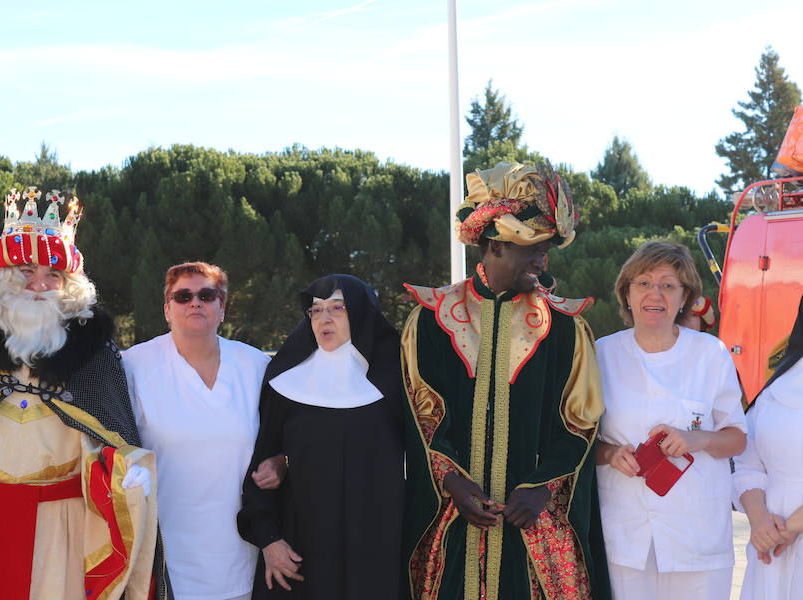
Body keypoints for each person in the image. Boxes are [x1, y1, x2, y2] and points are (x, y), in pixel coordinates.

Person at [0, 187, 168, 599]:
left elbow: (112, 433)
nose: (39, 286)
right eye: (26, 270)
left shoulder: (94, 356)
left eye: (53, 275)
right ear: (2, 275)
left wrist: (124, 470)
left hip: (59, 525)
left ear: (69, 285)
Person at [402, 161, 611, 600]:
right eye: (532, 248)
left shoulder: (565, 328)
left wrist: (542, 489)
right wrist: (452, 481)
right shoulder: (430, 322)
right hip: (455, 523)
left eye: (546, 249)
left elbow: (582, 422)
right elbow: (419, 412)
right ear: (493, 245)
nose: (542, 260)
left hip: (533, 522)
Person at [595, 241, 747, 600]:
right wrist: (610, 454)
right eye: (643, 283)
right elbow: (580, 438)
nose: (655, 294)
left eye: (668, 284)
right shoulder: (601, 353)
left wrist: (699, 439)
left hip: (696, 536)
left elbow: (737, 438)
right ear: (626, 294)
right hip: (624, 534)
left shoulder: (710, 353)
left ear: (684, 298)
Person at [237, 274, 404, 600]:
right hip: (300, 551)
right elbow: (263, 466)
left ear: (361, 312)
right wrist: (268, 540)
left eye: (337, 308)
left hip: (376, 550)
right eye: (315, 310)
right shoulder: (287, 380)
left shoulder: (400, 379)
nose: (324, 318)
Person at [122, 261, 275, 600]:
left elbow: (282, 439)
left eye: (207, 295)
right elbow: (114, 445)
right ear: (167, 308)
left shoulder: (256, 366)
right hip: (164, 545)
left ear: (223, 308)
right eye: (183, 296)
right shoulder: (132, 365)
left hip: (238, 547)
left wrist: (282, 463)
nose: (195, 303)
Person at [733, 296, 803, 599]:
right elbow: (748, 462)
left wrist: (791, 527)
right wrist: (760, 519)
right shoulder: (782, 379)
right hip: (771, 545)